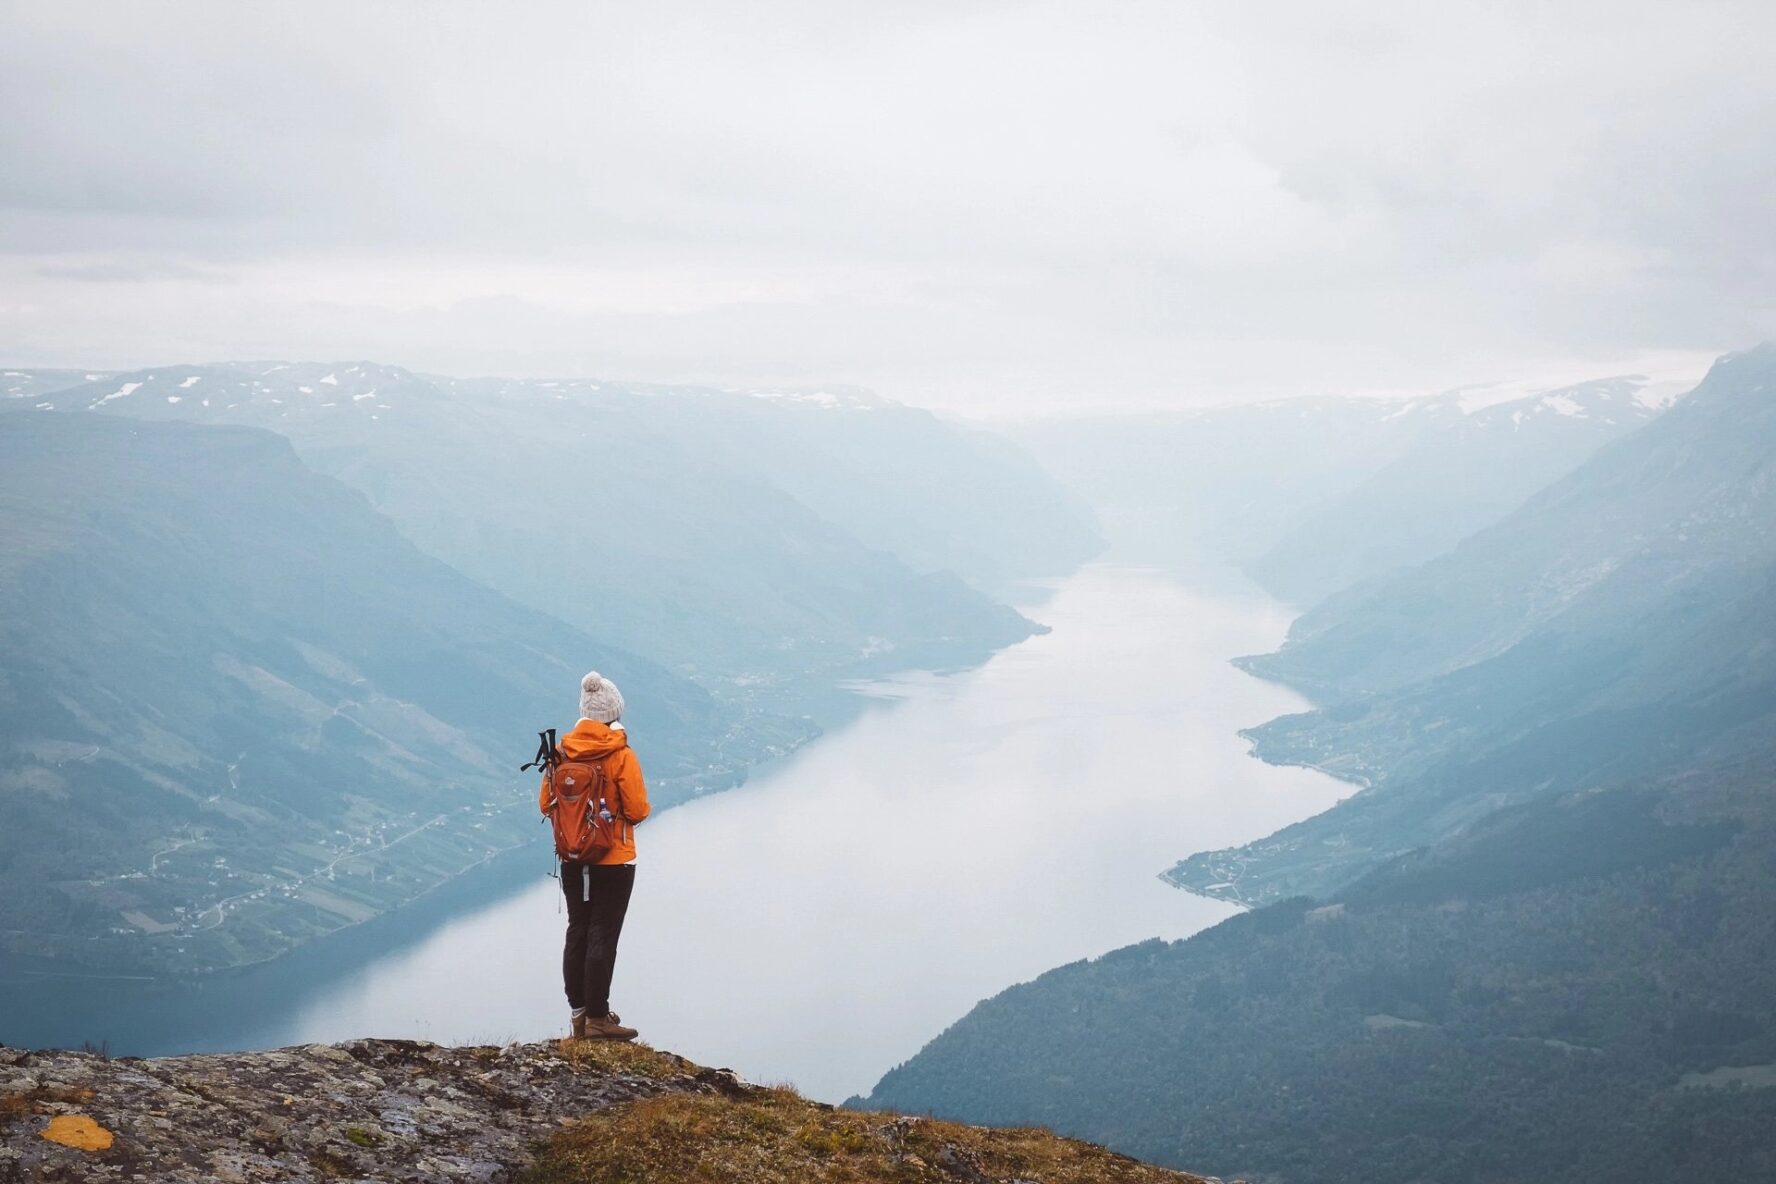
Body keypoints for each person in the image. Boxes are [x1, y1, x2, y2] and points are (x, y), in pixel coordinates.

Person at [539, 671, 650, 1041]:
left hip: (572, 857)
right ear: (614, 712)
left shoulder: (561, 751)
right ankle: (599, 1019)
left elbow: (545, 803)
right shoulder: (620, 754)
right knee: (604, 933)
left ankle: (579, 1016)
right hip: (613, 860)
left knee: (578, 931)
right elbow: (637, 810)